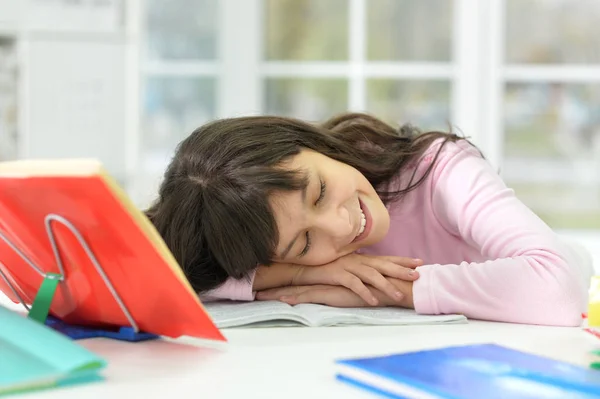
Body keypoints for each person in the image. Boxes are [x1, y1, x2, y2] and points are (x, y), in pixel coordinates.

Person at [146, 112, 592, 327]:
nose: (340, 226)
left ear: (308, 142)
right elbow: (166, 274)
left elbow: (559, 286)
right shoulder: (269, 238)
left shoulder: (438, 172)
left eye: (319, 191)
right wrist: (298, 272)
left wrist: (387, 291)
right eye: (304, 242)